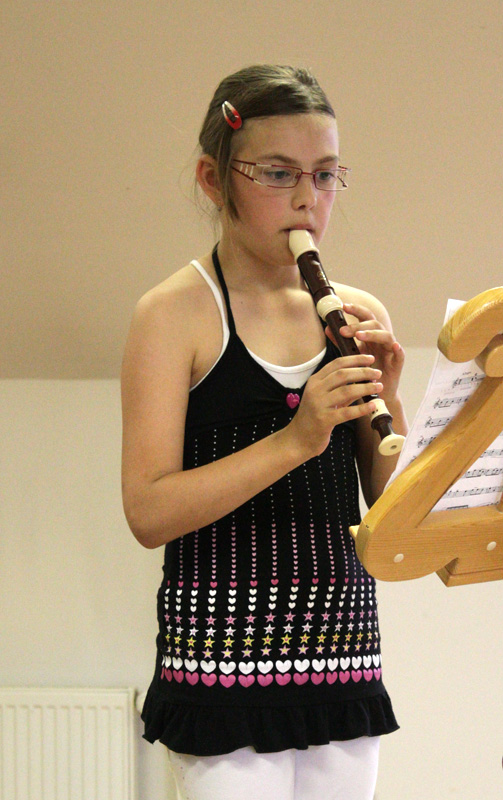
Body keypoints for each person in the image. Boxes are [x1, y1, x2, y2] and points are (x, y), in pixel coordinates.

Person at [121, 64, 408, 800]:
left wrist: (391, 397)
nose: (308, 199)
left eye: (326, 174)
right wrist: (295, 438)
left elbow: (391, 509)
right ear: (214, 180)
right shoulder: (173, 314)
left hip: (341, 652)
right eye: (279, 174)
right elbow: (148, 513)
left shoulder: (355, 310)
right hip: (222, 660)